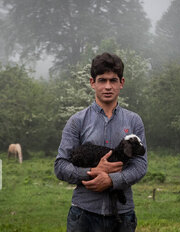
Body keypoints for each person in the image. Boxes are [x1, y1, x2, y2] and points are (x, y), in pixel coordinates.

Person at [54, 52, 148, 232]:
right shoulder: (77, 121)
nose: (107, 86)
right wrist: (90, 172)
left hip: (122, 215)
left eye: (113, 80)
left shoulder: (134, 121)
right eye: (102, 80)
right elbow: (60, 166)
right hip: (84, 214)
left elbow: (140, 166)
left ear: (122, 83)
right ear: (92, 83)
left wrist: (111, 180)